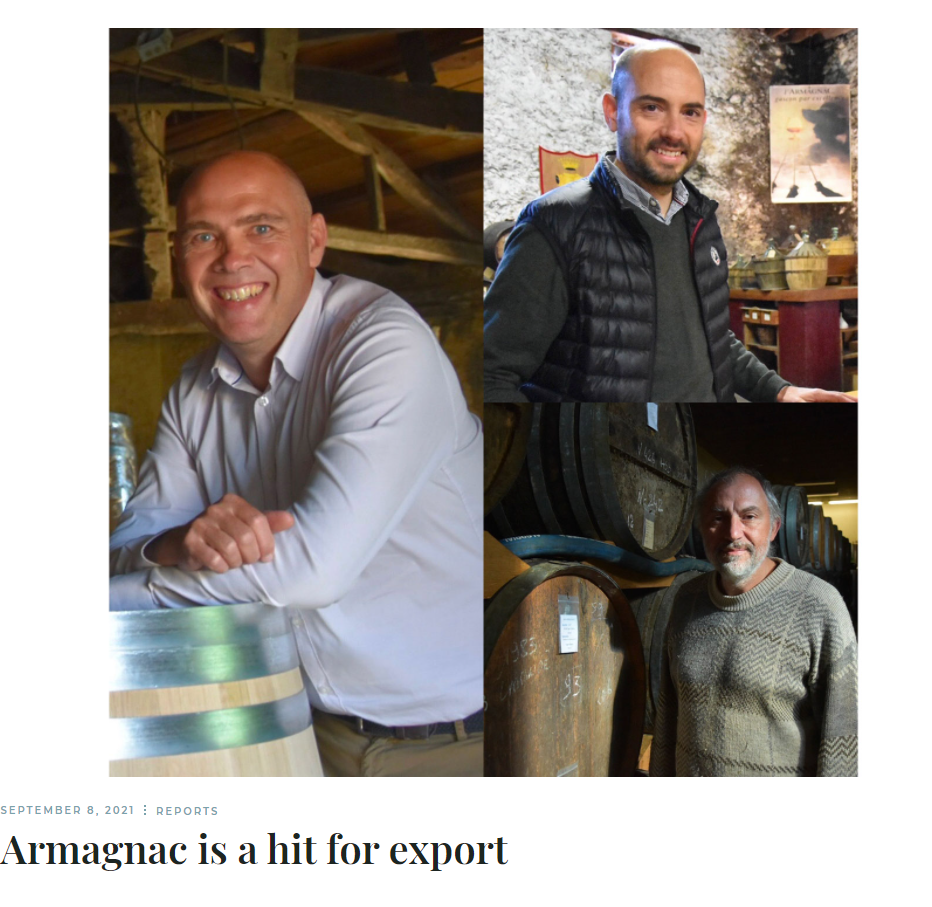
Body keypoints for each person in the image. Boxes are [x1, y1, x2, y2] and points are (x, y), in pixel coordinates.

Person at [109, 151, 483, 777]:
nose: (232, 260)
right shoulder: (194, 389)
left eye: (261, 227)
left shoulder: (383, 343)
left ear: (314, 241)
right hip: (287, 730)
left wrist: (111, 601)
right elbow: (125, 542)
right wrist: (176, 542)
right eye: (205, 236)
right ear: (179, 255)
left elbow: (310, 572)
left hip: (440, 747)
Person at [483, 41, 857, 404]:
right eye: (652, 108)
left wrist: (779, 390)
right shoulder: (555, 223)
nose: (675, 132)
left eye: (690, 112)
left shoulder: (701, 220)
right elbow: (491, 376)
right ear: (612, 111)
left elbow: (711, 338)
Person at [650, 467, 858, 776]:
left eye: (749, 517)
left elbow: (845, 733)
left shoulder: (819, 605)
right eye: (718, 518)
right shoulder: (685, 600)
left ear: (773, 528)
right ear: (702, 529)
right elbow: (668, 716)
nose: (733, 533)